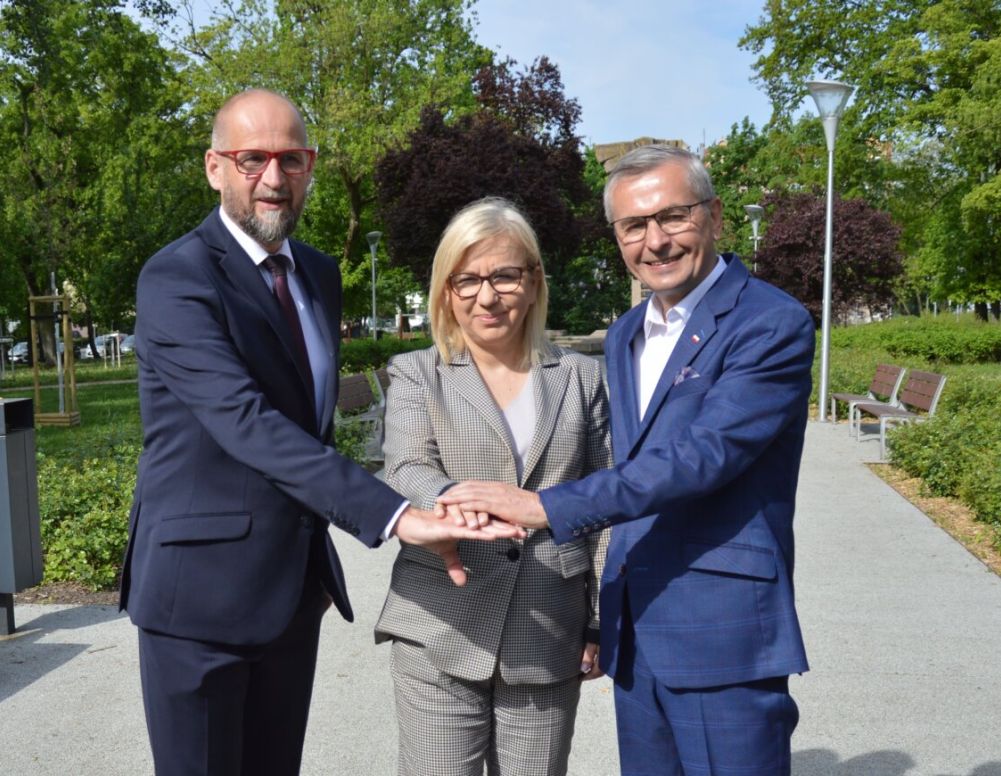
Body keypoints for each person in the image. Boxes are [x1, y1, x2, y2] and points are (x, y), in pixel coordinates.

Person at [119, 90, 519, 776]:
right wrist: (395, 514)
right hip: (198, 600)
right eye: (252, 159)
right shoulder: (176, 277)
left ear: (309, 167)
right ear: (215, 167)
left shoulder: (318, 273)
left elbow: (309, 419)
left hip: (292, 592)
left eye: (292, 159)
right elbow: (245, 420)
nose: (273, 178)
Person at [442, 146, 815, 776]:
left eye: (673, 216)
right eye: (634, 225)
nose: (655, 241)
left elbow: (704, 456)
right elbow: (627, 460)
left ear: (715, 216)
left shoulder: (769, 322)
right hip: (637, 628)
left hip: (720, 626)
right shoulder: (626, 332)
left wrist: (544, 506)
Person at [373, 197, 612, 776]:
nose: (487, 296)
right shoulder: (417, 373)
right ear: (446, 290)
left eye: (504, 275)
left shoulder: (582, 378)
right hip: (439, 622)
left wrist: (601, 619)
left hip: (549, 624)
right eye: (468, 280)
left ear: (533, 281)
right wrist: (467, 506)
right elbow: (407, 468)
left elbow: (606, 501)